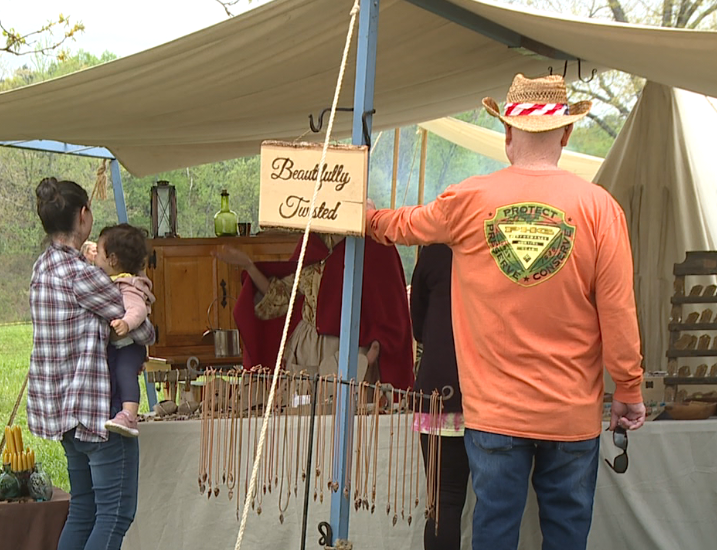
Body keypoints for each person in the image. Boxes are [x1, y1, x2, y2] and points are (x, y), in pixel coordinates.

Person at [366, 74, 645, 550]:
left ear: (508, 133)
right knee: (566, 538)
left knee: (493, 535)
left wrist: (369, 217)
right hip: (572, 416)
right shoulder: (601, 208)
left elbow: (408, 225)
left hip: (494, 416)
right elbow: (617, 310)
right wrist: (630, 388)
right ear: (566, 133)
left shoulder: (469, 199)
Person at [28, 177, 155, 550]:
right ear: (83, 216)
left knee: (83, 510)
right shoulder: (83, 275)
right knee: (114, 515)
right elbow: (142, 329)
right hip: (97, 412)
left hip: (61, 413)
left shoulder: (42, 268)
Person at [217, 233, 413, 395]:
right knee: (301, 419)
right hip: (305, 349)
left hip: (346, 349)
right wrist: (249, 266)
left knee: (343, 420)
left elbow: (390, 309)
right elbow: (283, 294)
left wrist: (371, 354)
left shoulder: (373, 245)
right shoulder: (312, 241)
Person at [409, 244, 467, 550]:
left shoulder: (435, 252)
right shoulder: (497, 248)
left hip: (439, 388)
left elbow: (418, 325)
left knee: (443, 502)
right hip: (490, 389)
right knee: (497, 503)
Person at [93, 224, 154, 438]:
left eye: (99, 254)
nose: (95, 259)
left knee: (124, 372)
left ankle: (129, 414)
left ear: (112, 259)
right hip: (120, 345)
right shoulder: (113, 280)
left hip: (129, 347)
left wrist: (126, 323)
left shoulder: (128, 285)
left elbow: (137, 310)